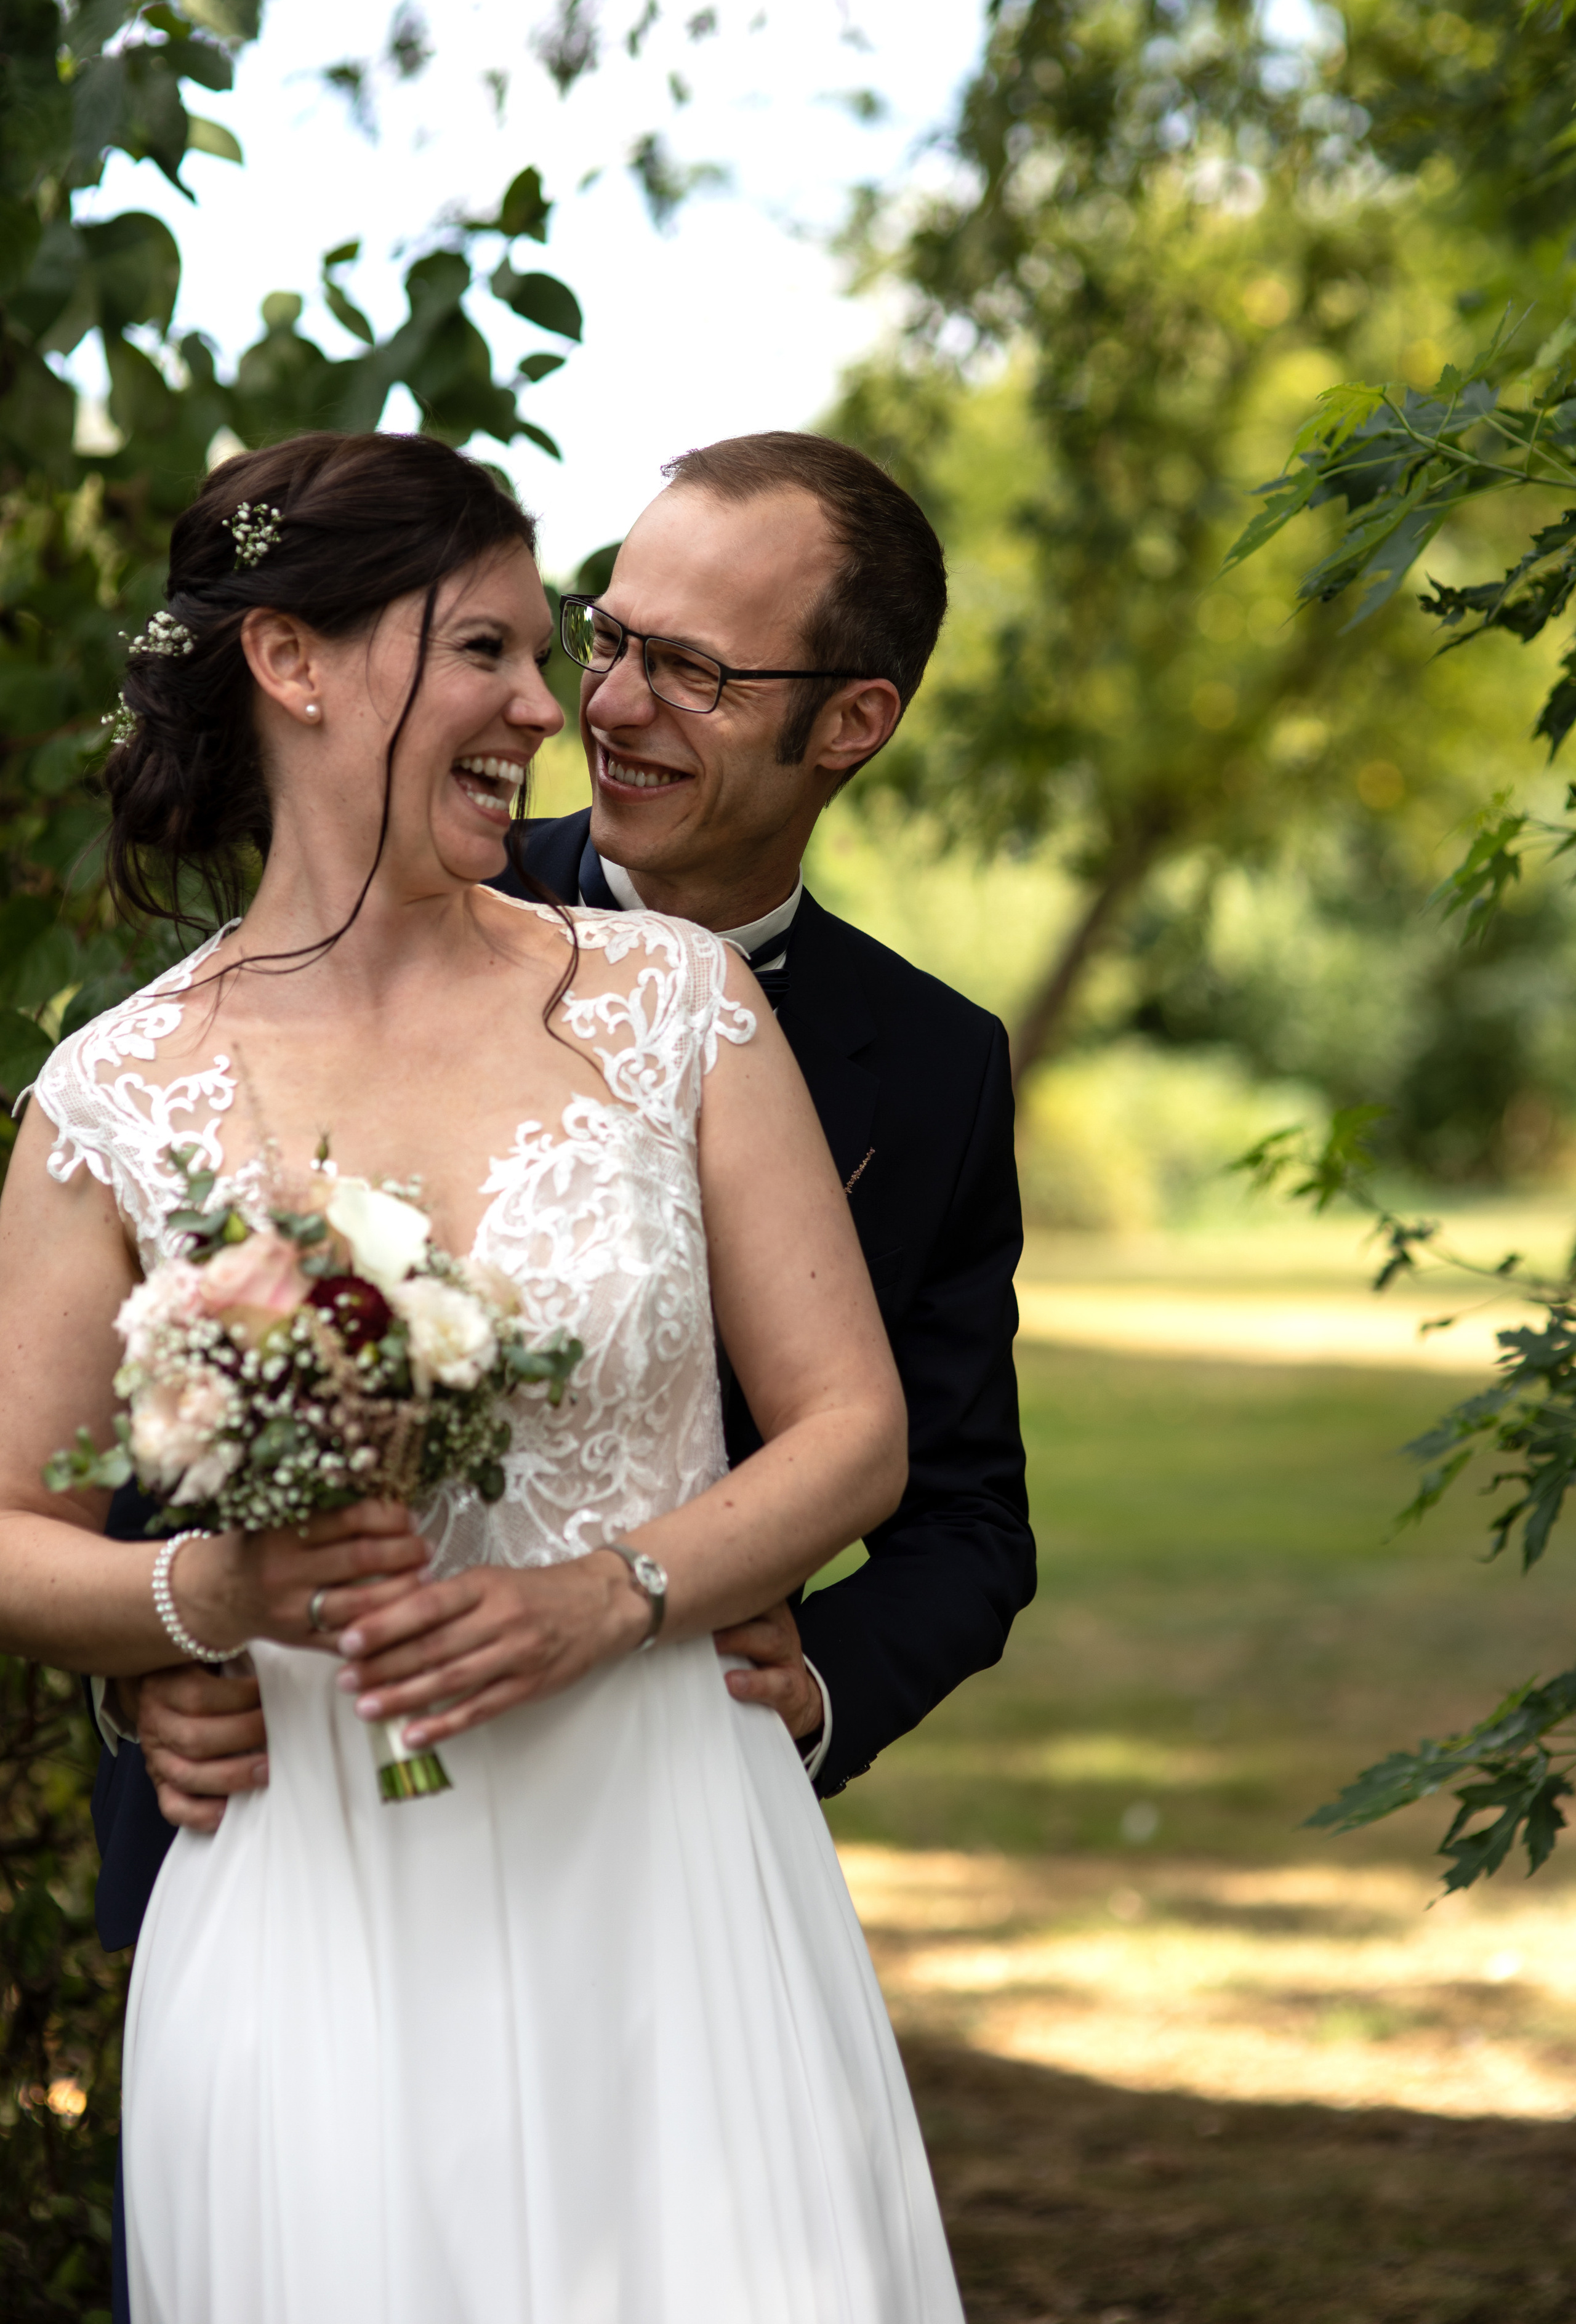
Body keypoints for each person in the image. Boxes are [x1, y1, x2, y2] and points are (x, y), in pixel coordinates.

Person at [0, 430, 963, 2320]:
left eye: (551, 651)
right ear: (292, 663)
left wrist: (619, 1597)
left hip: (672, 1873)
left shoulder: (676, 1003)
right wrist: (198, 1605)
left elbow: (862, 1433)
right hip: (313, 1898)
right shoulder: (112, 1097)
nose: (560, 705)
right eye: (497, 652)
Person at [103, 433, 1034, 1905]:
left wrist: (806, 1701)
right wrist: (157, 1659)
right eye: (608, 638)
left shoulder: (931, 1068)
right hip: (300, 1811)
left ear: (852, 721)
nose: (600, 705)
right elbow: (185, 1354)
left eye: (695, 672)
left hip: (656, 1816)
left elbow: (965, 1513)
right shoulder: (373, 898)